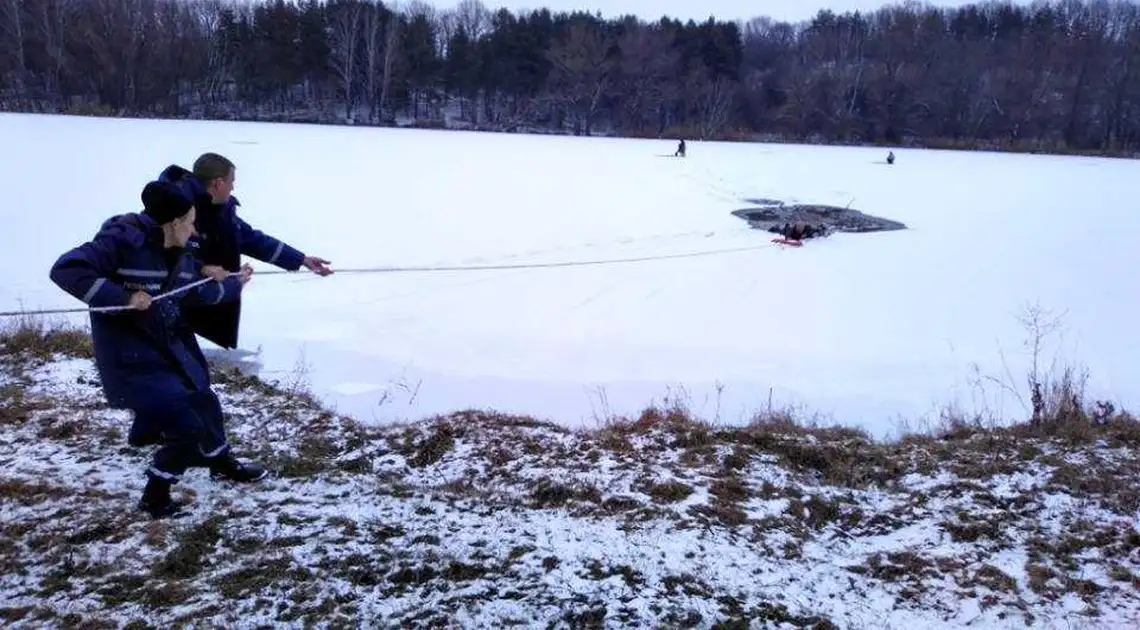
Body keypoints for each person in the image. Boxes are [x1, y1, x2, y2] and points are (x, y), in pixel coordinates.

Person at [49, 179, 268, 520]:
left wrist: (231, 284)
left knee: (204, 400)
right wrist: (124, 298)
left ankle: (219, 462)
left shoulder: (180, 253)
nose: (194, 230)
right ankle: (156, 495)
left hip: (167, 348)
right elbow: (66, 269)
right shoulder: (121, 241)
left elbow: (194, 291)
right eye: (190, 222)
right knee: (185, 425)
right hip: (130, 358)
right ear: (172, 223)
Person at [155, 152, 333, 349]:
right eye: (231, 181)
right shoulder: (176, 212)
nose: (233, 187)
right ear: (218, 183)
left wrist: (301, 259)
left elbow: (252, 239)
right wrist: (229, 284)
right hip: (164, 312)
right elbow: (178, 276)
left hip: (198, 309)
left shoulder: (219, 210)